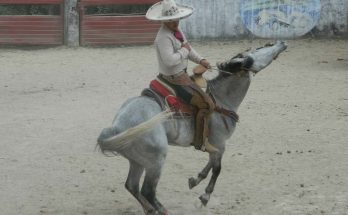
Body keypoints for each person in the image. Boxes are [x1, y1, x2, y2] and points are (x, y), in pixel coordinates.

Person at [146, 0, 215, 152]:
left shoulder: (176, 31)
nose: (175, 22)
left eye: (176, 19)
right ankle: (201, 142)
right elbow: (170, 61)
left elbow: (188, 48)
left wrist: (201, 59)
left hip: (179, 75)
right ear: (164, 21)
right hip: (175, 79)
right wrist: (184, 51)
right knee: (207, 104)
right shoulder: (163, 37)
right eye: (171, 21)